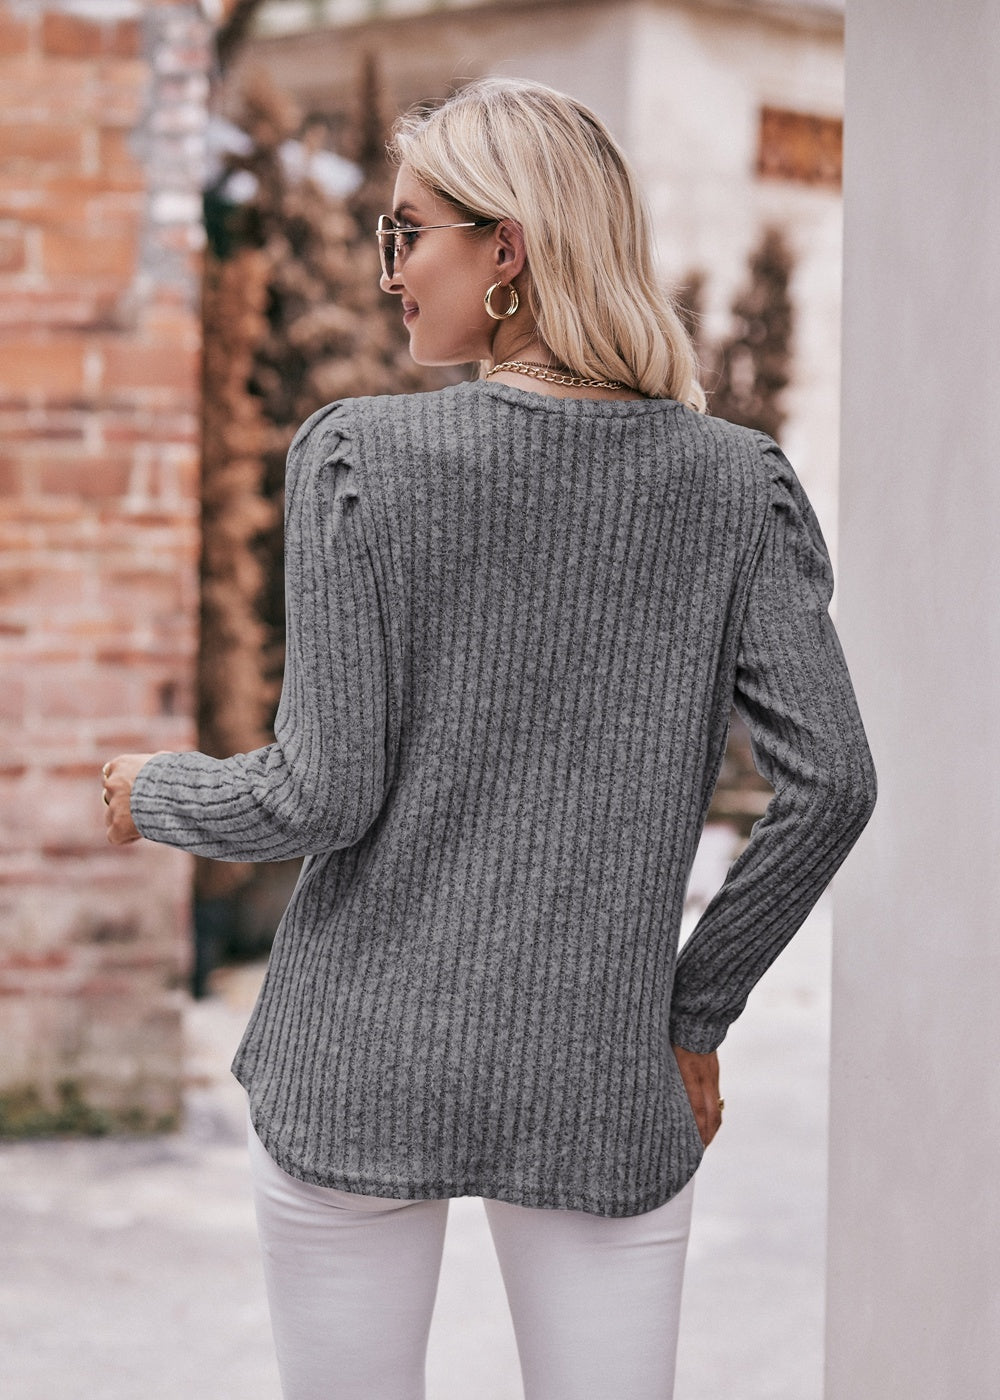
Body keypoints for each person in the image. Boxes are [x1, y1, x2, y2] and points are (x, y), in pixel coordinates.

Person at [102, 77, 876, 1400]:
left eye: (409, 233)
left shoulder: (357, 459)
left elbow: (316, 794)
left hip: (357, 1067)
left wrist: (149, 791)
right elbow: (833, 787)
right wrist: (691, 1019)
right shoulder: (733, 487)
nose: (389, 269)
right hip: (602, 1077)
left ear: (504, 247)